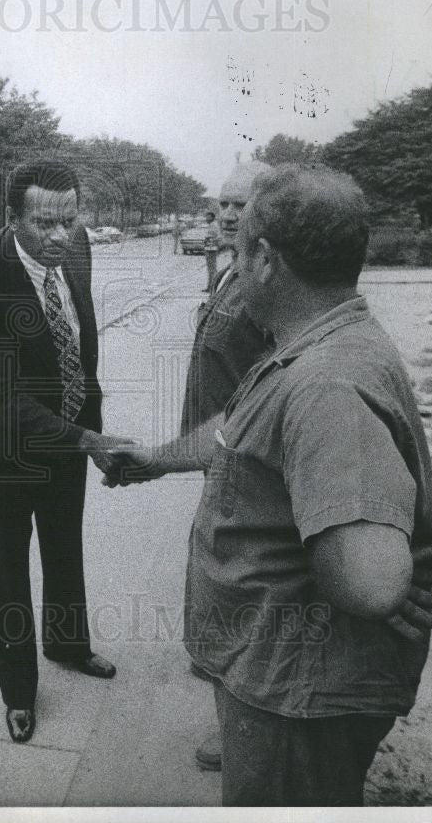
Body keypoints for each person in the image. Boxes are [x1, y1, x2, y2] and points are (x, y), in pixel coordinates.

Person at [104, 164, 432, 806]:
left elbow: (369, 578)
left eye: (240, 245)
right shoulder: (309, 347)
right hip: (279, 677)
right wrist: (155, 459)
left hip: (299, 691)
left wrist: (379, 580)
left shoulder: (326, 385)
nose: (230, 255)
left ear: (264, 258)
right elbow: (238, 431)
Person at [0, 159, 128, 744]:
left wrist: (86, 428)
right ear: (12, 217)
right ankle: (18, 693)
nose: (59, 237)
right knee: (11, 571)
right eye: (44, 224)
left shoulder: (77, 252)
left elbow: (79, 346)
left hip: (69, 438)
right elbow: (0, 394)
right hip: (6, 451)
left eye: (69, 222)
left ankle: (69, 645)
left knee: (64, 546)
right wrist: (90, 440)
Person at [179, 161, 273, 771]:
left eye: (243, 205)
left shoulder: (266, 285)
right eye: (222, 206)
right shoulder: (231, 272)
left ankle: (240, 734)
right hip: (215, 453)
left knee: (235, 596)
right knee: (219, 589)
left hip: (244, 460)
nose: (229, 216)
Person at [202, 211, 220, 291]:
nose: (206, 219)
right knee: (210, 270)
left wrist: (210, 240)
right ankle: (210, 286)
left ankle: (212, 287)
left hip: (211, 249)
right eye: (206, 217)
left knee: (212, 270)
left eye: (208, 217)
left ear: (212, 217)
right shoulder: (211, 225)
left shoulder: (215, 225)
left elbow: (219, 237)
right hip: (209, 249)